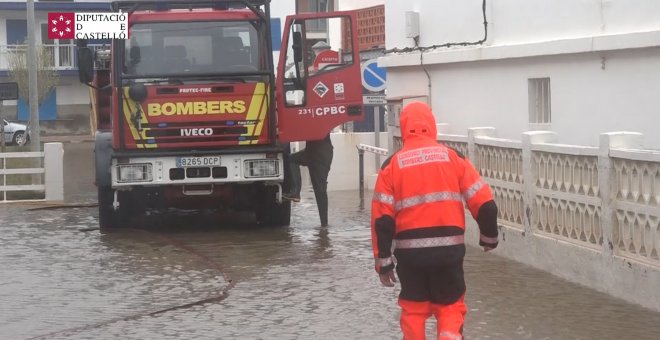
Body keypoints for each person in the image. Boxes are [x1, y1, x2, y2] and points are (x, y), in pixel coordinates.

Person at [371, 102, 499, 340]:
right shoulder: (453, 158)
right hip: (448, 254)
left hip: (410, 257)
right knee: (450, 308)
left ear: (403, 127)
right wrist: (489, 238)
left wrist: (383, 263)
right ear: (431, 125)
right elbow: (486, 205)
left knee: (413, 311)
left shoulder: (391, 166)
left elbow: (382, 221)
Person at [283, 133, 333, 226]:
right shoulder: (323, 121)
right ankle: (324, 226)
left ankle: (296, 192)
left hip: (317, 153)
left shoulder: (311, 120)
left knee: (292, 159)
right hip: (318, 152)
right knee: (320, 189)